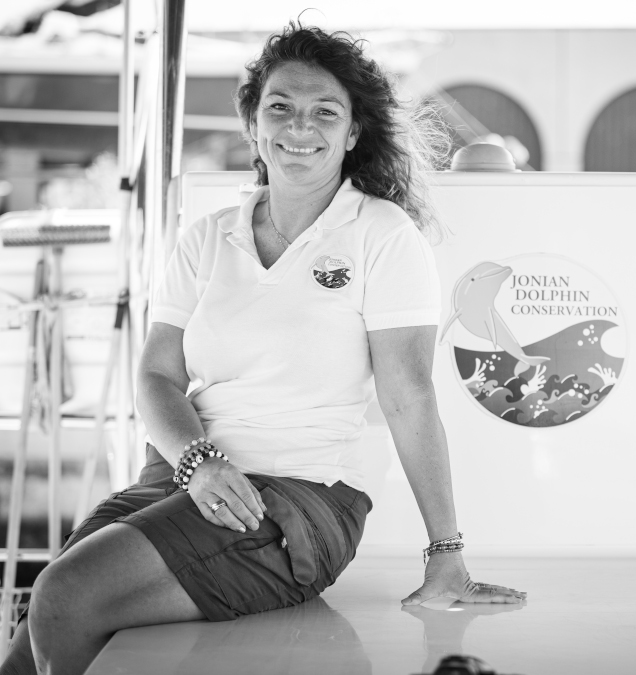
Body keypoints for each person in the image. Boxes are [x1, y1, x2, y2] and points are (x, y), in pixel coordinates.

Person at [0, 21, 525, 675]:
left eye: (324, 112)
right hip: (182, 478)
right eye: (280, 107)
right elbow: (156, 376)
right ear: (253, 124)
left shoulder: (382, 234)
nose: (300, 126)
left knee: (64, 594)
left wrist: (445, 550)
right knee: (31, 638)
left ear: (352, 133)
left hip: (300, 499)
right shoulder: (207, 235)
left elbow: (408, 396)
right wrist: (199, 463)